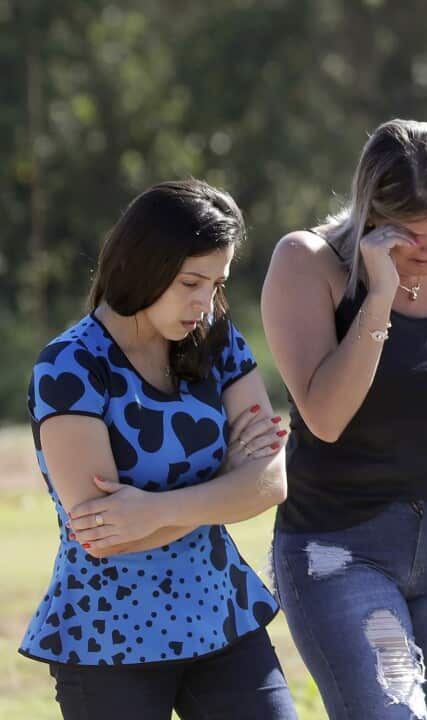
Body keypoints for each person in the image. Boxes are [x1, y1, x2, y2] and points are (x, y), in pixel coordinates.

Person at [260, 118, 427, 720]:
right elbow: (325, 416)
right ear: (372, 216)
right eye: (412, 236)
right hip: (341, 551)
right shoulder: (307, 261)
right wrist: (379, 296)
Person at [21, 179, 295, 719]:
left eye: (217, 283)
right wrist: (225, 481)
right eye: (191, 281)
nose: (205, 302)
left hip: (222, 617)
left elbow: (271, 482)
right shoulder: (70, 366)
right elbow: (104, 533)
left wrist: (153, 509)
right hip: (108, 638)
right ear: (144, 263)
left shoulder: (219, 339)